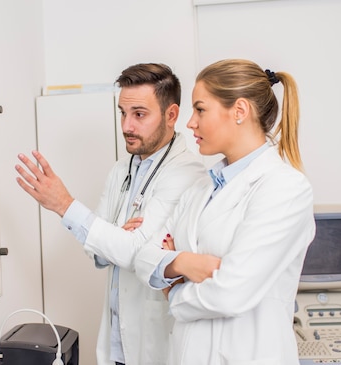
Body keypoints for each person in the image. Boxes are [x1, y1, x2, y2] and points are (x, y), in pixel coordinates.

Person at [15, 63, 208, 365]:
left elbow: (135, 253)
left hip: (154, 346)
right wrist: (116, 237)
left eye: (139, 114)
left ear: (171, 115)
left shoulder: (186, 173)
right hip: (116, 345)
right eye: (122, 112)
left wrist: (66, 205)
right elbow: (100, 255)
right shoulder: (122, 169)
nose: (126, 126)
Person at [133, 59, 316, 365]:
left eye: (200, 109)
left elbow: (231, 291)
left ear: (240, 111)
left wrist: (174, 293)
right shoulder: (199, 190)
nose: (190, 123)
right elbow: (142, 256)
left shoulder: (285, 189)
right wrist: (183, 262)